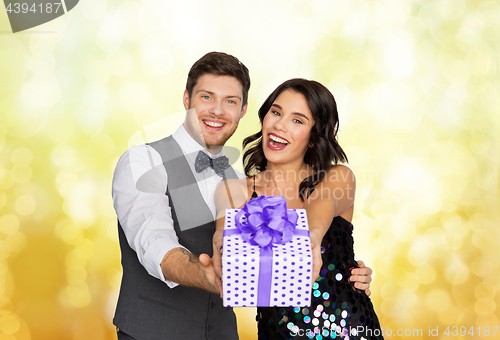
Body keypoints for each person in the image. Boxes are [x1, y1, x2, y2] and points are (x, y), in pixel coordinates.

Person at [112, 52, 373, 340]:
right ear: (186, 99)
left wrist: (345, 273)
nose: (218, 111)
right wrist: (210, 274)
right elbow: (155, 244)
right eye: (207, 97)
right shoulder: (144, 161)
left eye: (230, 101)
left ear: (243, 110)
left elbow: (318, 215)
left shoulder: (234, 177)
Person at [213, 78, 382, 339]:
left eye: (297, 120)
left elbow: (321, 204)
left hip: (350, 330)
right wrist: (221, 256)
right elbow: (223, 242)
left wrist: (311, 240)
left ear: (315, 137)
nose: (280, 125)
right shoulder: (234, 190)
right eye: (276, 112)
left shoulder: (337, 177)